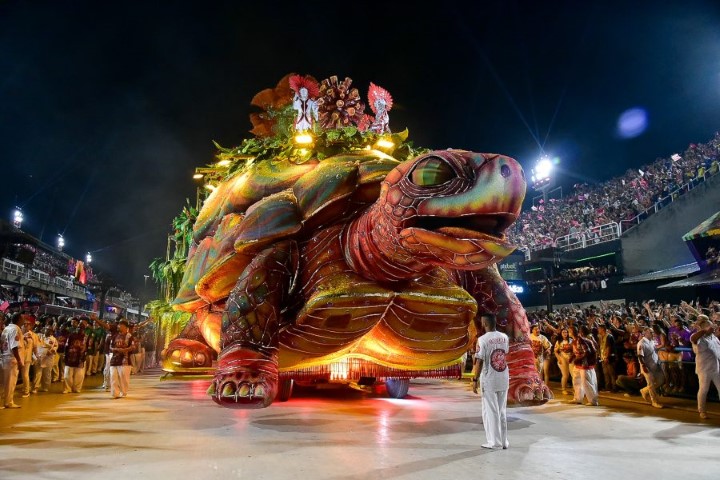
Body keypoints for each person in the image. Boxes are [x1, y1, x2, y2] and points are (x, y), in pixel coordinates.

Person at [472, 313, 509, 450]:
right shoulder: (504, 337)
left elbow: (479, 361)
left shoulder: (482, 340)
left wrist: (475, 379)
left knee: (491, 411)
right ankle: (504, 441)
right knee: (501, 411)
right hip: (503, 376)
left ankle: (495, 442)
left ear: (485, 323)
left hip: (489, 379)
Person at [690, 315, 720, 419]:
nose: (713, 328)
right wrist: (704, 331)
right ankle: (702, 410)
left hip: (716, 367)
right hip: (704, 369)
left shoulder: (714, 337)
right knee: (704, 389)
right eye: (710, 326)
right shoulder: (697, 337)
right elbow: (693, 339)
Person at [568, 325, 599, 406]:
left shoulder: (580, 340)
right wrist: (572, 358)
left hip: (585, 364)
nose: (568, 333)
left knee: (586, 382)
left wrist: (578, 358)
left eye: (569, 331)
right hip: (578, 364)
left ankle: (593, 401)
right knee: (576, 380)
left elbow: (587, 352)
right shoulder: (574, 340)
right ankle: (578, 398)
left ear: (573, 332)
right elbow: (576, 352)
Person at [1, 312, 26, 408]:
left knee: (4, 382)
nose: (24, 320)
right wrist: (19, 360)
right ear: (19, 319)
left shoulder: (6, 328)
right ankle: (8, 402)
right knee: (11, 382)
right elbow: (14, 346)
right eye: (23, 318)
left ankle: (5, 401)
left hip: (4, 356)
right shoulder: (15, 329)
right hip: (12, 359)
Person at [636, 326, 664, 409]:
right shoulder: (641, 343)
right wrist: (644, 366)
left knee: (661, 380)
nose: (653, 334)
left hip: (655, 365)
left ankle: (644, 390)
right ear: (645, 333)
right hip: (647, 367)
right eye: (651, 332)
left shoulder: (652, 341)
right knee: (651, 384)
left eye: (653, 332)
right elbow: (640, 356)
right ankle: (654, 401)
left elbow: (654, 349)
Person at [109, 319, 137, 399]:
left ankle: (123, 392)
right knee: (113, 377)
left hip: (125, 360)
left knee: (123, 378)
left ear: (125, 327)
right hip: (114, 359)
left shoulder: (129, 336)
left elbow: (133, 347)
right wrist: (114, 349)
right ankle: (115, 393)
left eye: (120, 325)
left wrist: (124, 350)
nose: (118, 326)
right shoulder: (115, 335)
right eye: (118, 325)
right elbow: (110, 346)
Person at [63, 316, 90, 393]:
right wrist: (65, 354)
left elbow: (87, 347)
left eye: (82, 327)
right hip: (70, 356)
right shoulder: (71, 335)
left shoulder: (86, 336)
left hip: (80, 357)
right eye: (79, 326)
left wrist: (84, 355)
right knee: (67, 374)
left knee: (79, 375)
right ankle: (67, 388)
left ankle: (76, 388)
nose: (80, 328)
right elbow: (67, 345)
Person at [33, 325, 57, 392]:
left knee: (47, 373)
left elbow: (55, 348)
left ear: (52, 332)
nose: (48, 331)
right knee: (37, 373)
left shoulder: (53, 339)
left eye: (50, 330)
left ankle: (45, 387)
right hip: (39, 356)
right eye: (47, 329)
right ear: (44, 329)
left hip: (48, 358)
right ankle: (35, 387)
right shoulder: (39, 336)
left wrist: (52, 351)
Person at [596, 323, 617, 392]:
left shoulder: (609, 336)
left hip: (609, 358)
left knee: (611, 373)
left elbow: (609, 347)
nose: (598, 330)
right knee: (606, 373)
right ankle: (608, 387)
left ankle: (614, 387)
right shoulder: (600, 336)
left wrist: (607, 357)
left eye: (599, 328)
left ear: (602, 329)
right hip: (603, 358)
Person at [554, 328, 574, 394]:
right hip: (563, 359)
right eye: (563, 332)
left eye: (566, 332)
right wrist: (559, 358)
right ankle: (563, 389)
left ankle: (576, 389)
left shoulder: (571, 340)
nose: (565, 334)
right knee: (565, 375)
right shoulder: (559, 342)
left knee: (574, 375)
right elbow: (555, 351)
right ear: (561, 334)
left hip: (571, 359)